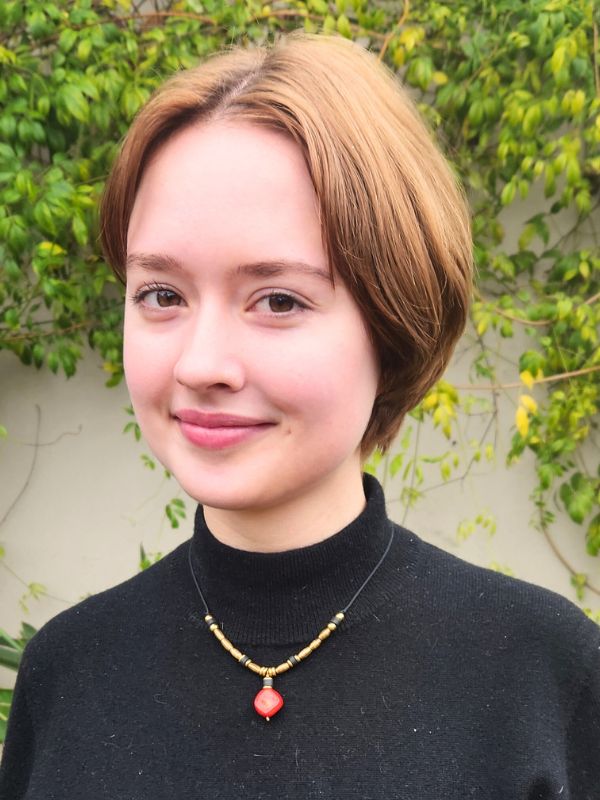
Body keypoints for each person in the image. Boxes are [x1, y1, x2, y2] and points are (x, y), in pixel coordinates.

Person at [1, 30, 598, 800]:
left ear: (393, 320)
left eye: (278, 300)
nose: (200, 364)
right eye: (161, 295)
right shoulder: (68, 676)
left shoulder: (542, 676)